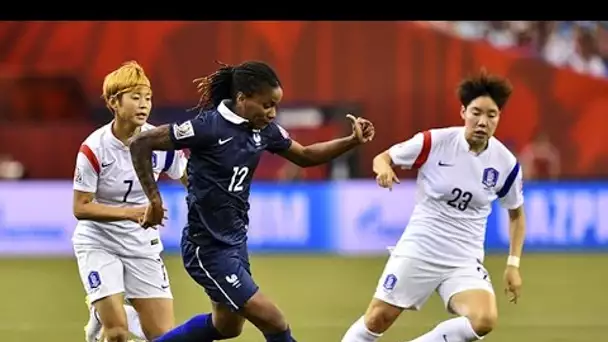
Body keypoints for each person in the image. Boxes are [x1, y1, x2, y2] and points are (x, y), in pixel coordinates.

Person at [128, 60, 375, 342]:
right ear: (242, 98)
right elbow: (141, 143)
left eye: (276, 106)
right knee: (274, 321)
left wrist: (352, 141)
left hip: (234, 244)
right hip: (206, 246)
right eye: (267, 105)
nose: (273, 113)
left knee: (227, 327)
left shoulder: (264, 130)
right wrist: (154, 200)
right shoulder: (207, 127)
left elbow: (305, 156)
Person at [341, 69, 526, 342]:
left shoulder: (505, 164)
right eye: (476, 112)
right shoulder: (434, 142)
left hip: (464, 259)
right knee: (377, 319)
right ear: (463, 112)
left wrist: (513, 264)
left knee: (483, 320)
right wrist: (383, 169)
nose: (482, 121)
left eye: (491, 115)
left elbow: (516, 216)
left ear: (499, 118)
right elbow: (384, 157)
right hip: (420, 248)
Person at [72, 61, 188, 342]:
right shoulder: (94, 148)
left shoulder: (160, 141)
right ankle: (108, 315)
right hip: (98, 241)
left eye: (147, 98)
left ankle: (107, 310)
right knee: (118, 333)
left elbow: (188, 177)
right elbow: (81, 207)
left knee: (162, 336)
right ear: (114, 102)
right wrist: (131, 212)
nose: (143, 104)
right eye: (135, 97)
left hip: (142, 243)